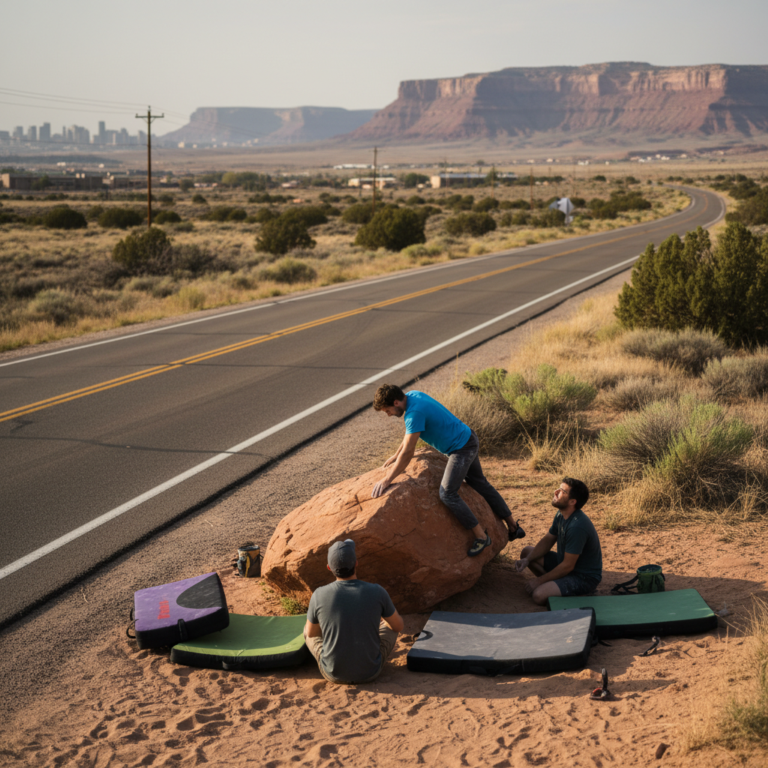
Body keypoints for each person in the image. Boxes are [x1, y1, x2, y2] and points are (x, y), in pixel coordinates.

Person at [371, 383, 524, 557]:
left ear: (396, 402)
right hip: (468, 437)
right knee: (479, 483)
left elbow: (408, 452)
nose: (388, 414)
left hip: (461, 449)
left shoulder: (413, 414)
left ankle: (481, 536)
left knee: (447, 493)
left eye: (387, 410)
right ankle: (513, 527)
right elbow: (408, 438)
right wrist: (395, 455)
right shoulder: (413, 395)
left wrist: (387, 480)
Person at [304, 539, 405, 685]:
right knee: (390, 626)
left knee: (307, 629)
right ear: (356, 563)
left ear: (328, 568)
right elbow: (399, 627)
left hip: (333, 674)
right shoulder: (377, 591)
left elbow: (312, 633)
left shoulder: (319, 594)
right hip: (370, 673)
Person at [515, 478, 602, 605]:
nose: (556, 492)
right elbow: (548, 539)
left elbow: (568, 566)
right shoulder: (561, 514)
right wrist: (527, 560)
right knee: (527, 553)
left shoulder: (577, 527)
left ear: (572, 501)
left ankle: (573, 592)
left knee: (539, 595)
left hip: (583, 577)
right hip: (565, 564)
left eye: (562, 491)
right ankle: (556, 585)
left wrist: (539, 581)